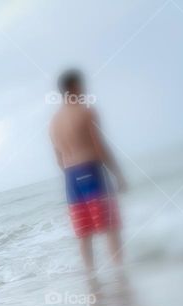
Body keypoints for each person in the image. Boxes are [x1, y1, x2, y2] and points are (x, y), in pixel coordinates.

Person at [49, 70, 127, 274]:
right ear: (74, 87)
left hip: (71, 179)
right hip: (91, 171)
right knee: (110, 229)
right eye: (81, 86)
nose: (84, 90)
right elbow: (99, 147)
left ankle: (91, 280)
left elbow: (58, 159)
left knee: (84, 235)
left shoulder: (54, 122)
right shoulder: (85, 111)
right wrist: (118, 174)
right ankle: (121, 276)